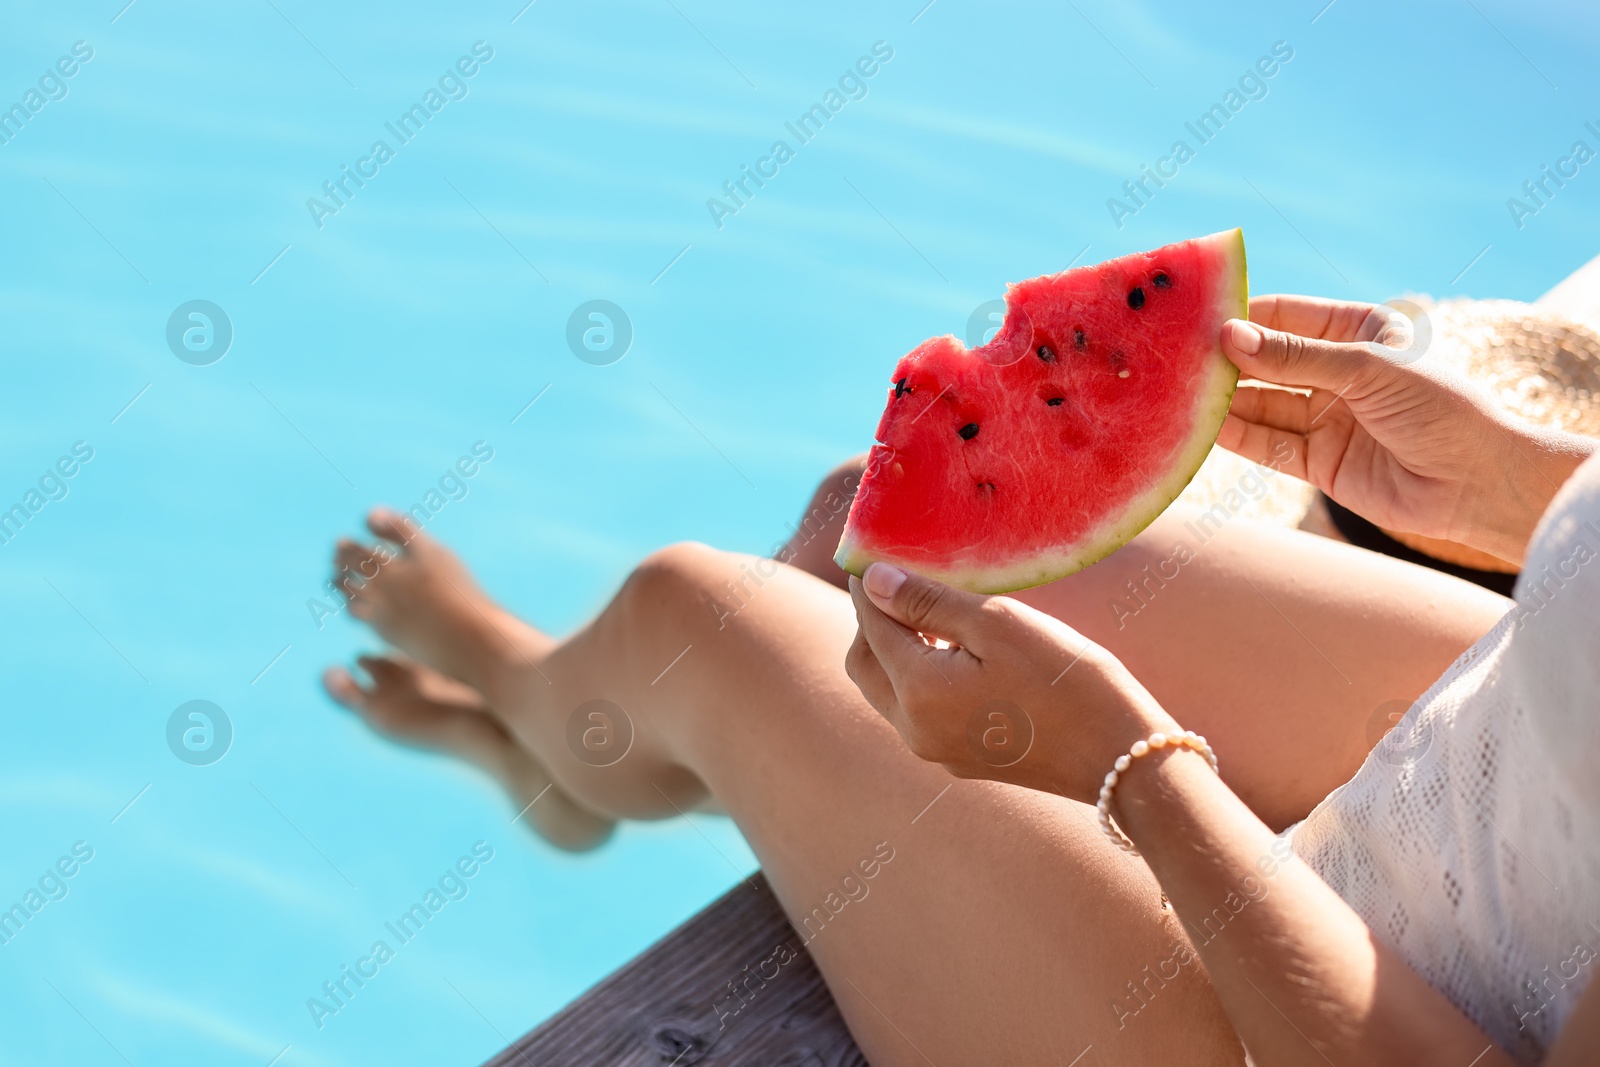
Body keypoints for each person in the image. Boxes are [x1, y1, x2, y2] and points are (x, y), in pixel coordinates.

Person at [323, 295, 1599, 1065]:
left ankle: (548, 742)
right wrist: (1517, 496)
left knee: (695, 615)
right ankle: (588, 746)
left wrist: (1131, 769)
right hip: (1516, 738)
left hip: (1326, 1027)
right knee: (869, 527)